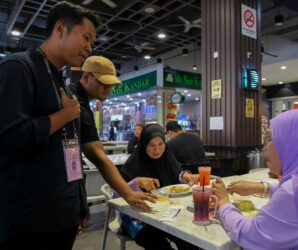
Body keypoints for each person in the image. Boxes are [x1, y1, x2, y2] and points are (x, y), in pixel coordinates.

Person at [0, 2, 152, 249]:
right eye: (86, 37)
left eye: (92, 42)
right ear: (60, 29)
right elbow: (8, 138)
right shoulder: (19, 67)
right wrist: (65, 115)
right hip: (29, 222)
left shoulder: (57, 79)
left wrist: (78, 205)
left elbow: (71, 154)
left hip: (60, 214)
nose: (89, 47)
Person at [212, 110, 298, 249]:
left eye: (270, 138)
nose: (265, 145)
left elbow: (251, 235)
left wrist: (224, 203)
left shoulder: (297, 190)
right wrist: (261, 187)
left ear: (294, 143)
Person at [68, 56, 156, 207]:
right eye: (104, 83)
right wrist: (128, 193)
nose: (109, 89)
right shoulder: (75, 101)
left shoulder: (80, 101)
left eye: (111, 84)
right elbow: (99, 157)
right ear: (87, 77)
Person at [118, 123, 197, 250]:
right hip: (137, 217)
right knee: (160, 245)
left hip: (165, 212)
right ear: (144, 145)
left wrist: (185, 176)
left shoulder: (167, 156)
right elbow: (116, 194)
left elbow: (177, 173)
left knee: (190, 241)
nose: (157, 150)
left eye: (161, 144)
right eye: (152, 145)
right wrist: (136, 182)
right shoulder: (133, 163)